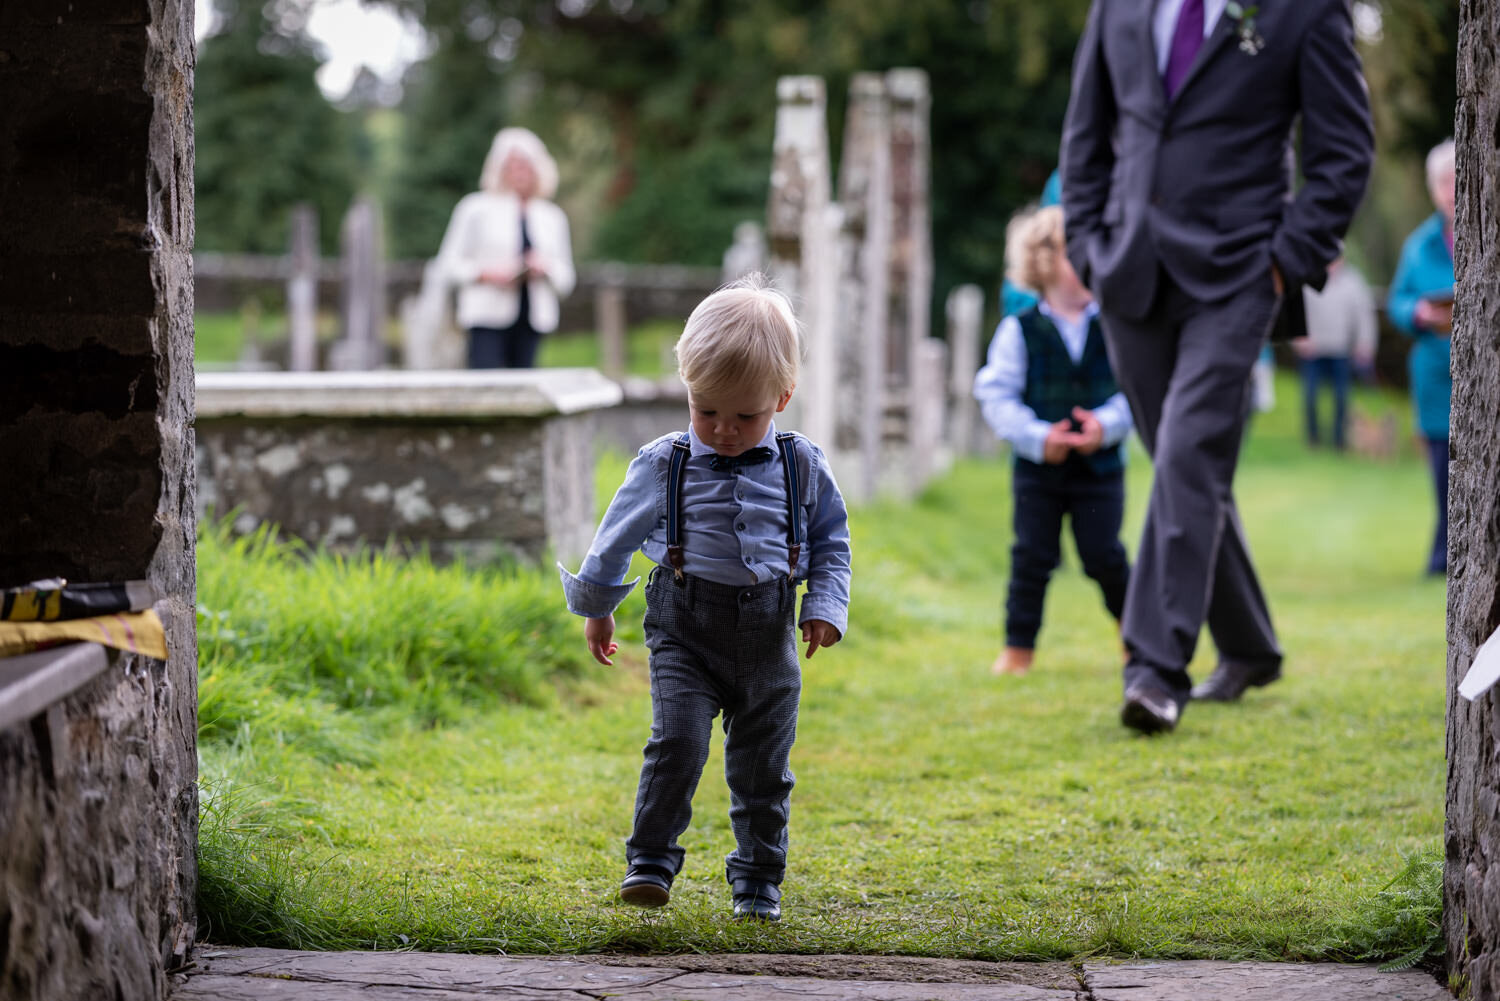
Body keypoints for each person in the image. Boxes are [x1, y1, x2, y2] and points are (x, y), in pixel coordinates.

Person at [1060, 0, 1374, 732]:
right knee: (1184, 465)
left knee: (1188, 447)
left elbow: (1345, 151)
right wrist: (1086, 244)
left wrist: (1284, 262)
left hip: (1239, 274)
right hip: (1129, 267)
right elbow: (1086, 132)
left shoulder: (1303, 11)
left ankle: (1154, 667)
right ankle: (1251, 644)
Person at [557, 275, 852, 922]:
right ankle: (651, 863)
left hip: (771, 629)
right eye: (704, 409)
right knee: (679, 742)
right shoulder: (665, 463)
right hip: (683, 626)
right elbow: (614, 539)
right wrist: (599, 606)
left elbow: (832, 539)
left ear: (783, 396)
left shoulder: (803, 466)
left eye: (744, 416)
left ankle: (757, 881)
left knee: (763, 767)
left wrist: (825, 605)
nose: (721, 429)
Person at [974, 206, 1133, 677]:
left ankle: (1137, 638)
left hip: (1101, 471)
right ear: (1043, 262)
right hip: (1039, 470)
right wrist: (1040, 436)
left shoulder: (1116, 328)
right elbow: (997, 395)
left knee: (1105, 555)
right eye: (1074, 254)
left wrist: (1105, 425)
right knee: (1032, 556)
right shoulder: (1019, 330)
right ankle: (1018, 648)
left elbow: (1135, 393)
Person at [435, 127, 576, 369]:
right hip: (485, 320)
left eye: (525, 164)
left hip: (532, 322)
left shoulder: (552, 217)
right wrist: (486, 273)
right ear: (499, 167)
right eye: (512, 164)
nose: (519, 171)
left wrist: (545, 268)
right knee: (488, 391)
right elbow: (447, 266)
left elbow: (567, 278)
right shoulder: (474, 209)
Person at [1387, 139, 1456, 576]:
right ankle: (1444, 554)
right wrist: (1418, 311)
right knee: (1442, 470)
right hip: (1435, 372)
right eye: (1444, 182)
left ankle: (1446, 556)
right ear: (1433, 190)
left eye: (1457, 179)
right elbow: (1397, 301)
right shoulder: (1420, 246)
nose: (1452, 189)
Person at [1296, 258, 1378, 450]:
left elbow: (1364, 315)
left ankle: (1339, 441)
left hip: (1341, 349)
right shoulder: (1309, 278)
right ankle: (1313, 439)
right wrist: (1299, 338)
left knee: (1342, 397)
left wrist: (1365, 344)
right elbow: (1297, 309)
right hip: (1313, 350)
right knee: (1310, 396)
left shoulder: (1353, 281)